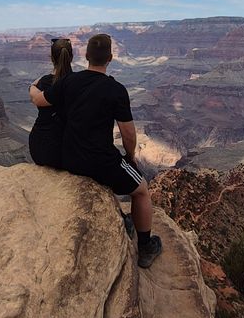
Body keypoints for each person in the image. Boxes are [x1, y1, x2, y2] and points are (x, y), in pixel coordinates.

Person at [29, 32, 162, 268]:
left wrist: (33, 88)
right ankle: (145, 247)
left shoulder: (69, 81)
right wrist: (129, 157)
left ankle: (123, 219)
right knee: (141, 189)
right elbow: (128, 134)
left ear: (87, 55)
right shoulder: (116, 90)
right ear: (110, 58)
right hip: (99, 161)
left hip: (69, 158)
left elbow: (40, 100)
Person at [28, 36, 74, 169]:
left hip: (38, 148)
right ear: (71, 57)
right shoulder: (77, 82)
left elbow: (35, 95)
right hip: (64, 151)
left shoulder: (44, 82)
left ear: (52, 58)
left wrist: (31, 86)